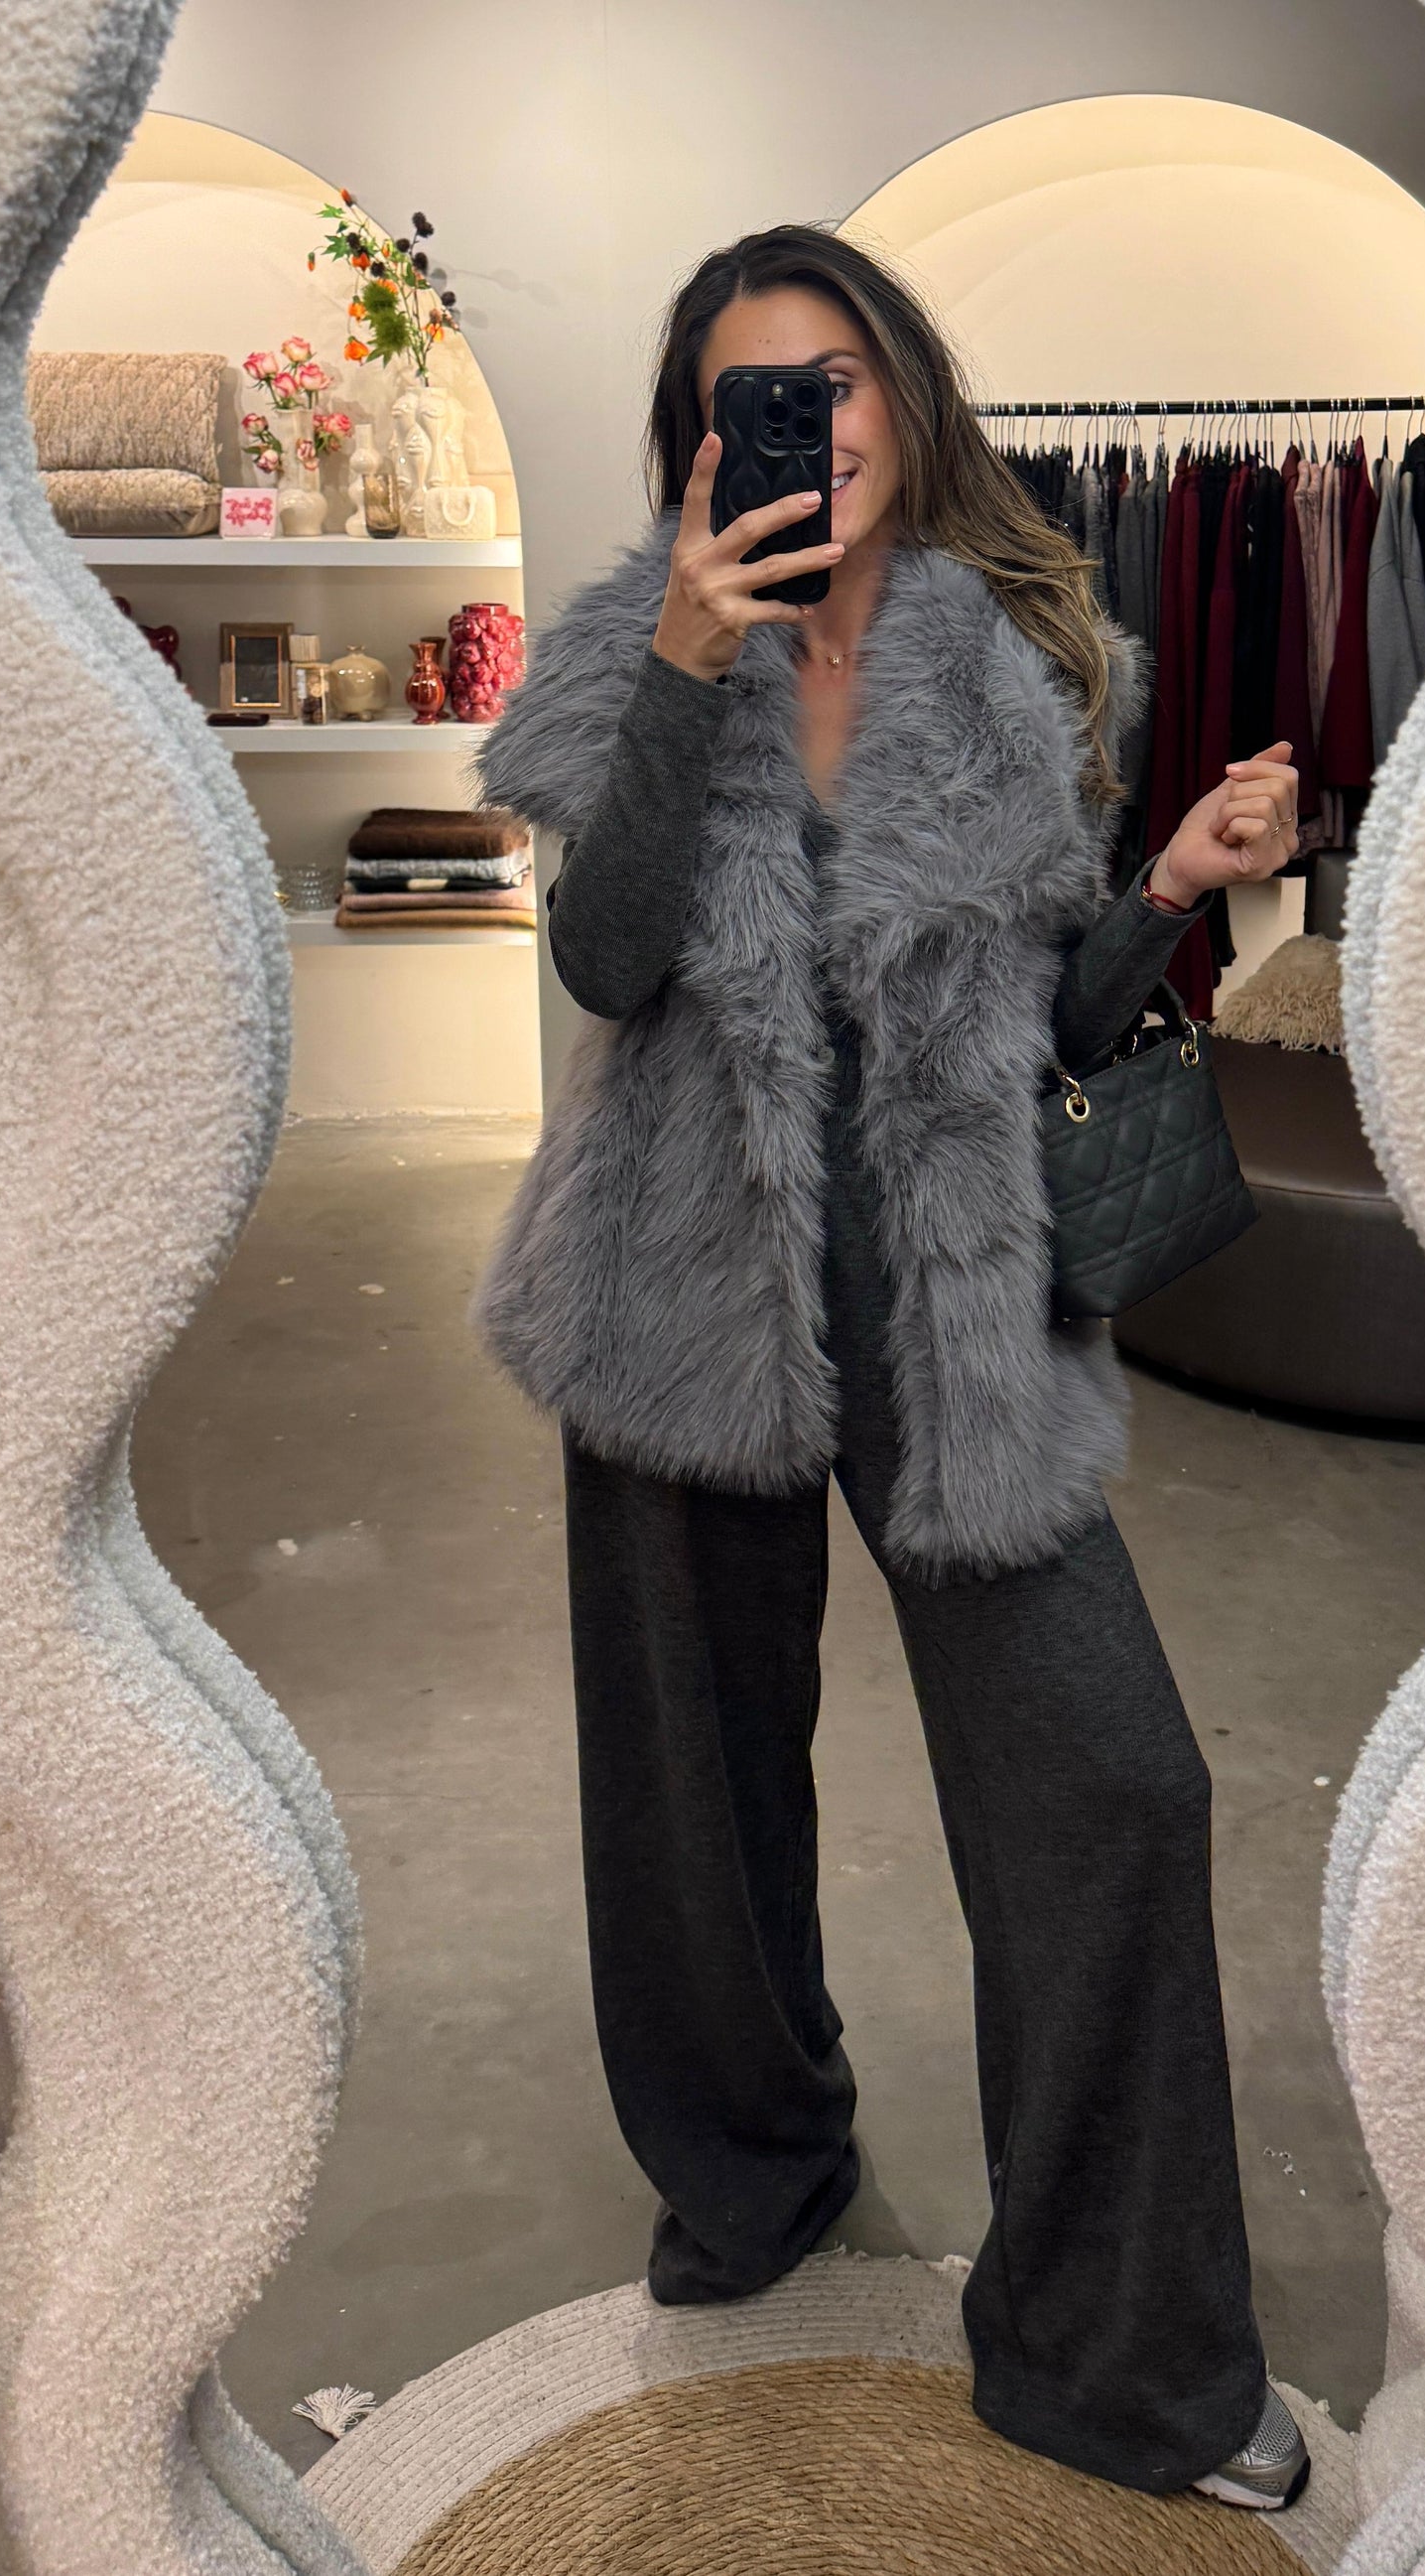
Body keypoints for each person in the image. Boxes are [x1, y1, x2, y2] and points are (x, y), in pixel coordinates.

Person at [474, 224, 1307, 2513]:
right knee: (693, 1804)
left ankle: (1118, 2349)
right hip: (676, 1301)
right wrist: (681, 662)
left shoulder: (1019, 655)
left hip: (955, 1307)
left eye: (834, 379)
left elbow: (1039, 1033)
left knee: (1115, 1784)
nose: (806, 427)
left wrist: (1169, 887)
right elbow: (608, 956)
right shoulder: (636, 645)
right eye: (754, 394)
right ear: (697, 440)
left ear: (903, 399)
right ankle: (750, 2176)